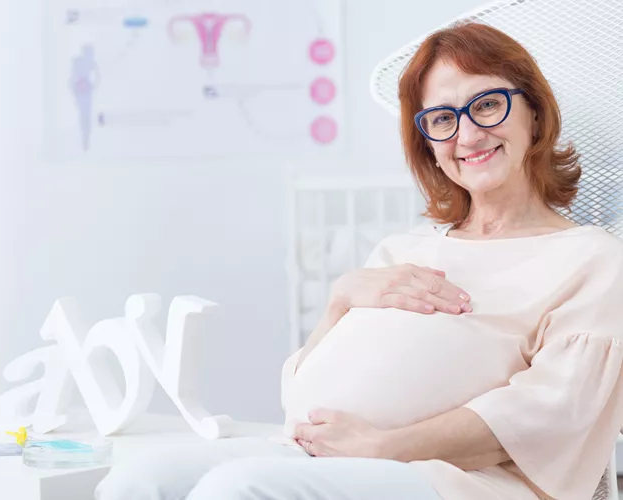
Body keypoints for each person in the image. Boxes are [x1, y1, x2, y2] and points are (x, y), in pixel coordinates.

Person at [95, 22, 623, 500]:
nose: (467, 135)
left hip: (458, 479)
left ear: (535, 111)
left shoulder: (590, 258)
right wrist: (339, 302)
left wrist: (386, 446)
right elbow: (298, 398)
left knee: (240, 489)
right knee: (137, 481)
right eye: (443, 118)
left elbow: (554, 412)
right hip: (326, 456)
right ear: (429, 144)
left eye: (486, 105)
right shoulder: (403, 249)